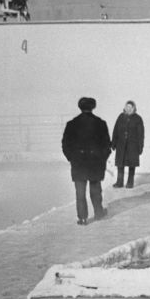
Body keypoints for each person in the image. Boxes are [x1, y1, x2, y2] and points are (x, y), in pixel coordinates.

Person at [61, 96, 111, 225]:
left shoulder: (71, 124)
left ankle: (82, 218)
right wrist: (102, 158)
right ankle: (99, 213)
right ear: (93, 107)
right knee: (95, 189)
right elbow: (107, 145)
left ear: (80, 107)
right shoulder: (100, 123)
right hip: (95, 162)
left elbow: (65, 144)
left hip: (79, 163)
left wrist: (71, 158)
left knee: (80, 191)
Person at [111, 100, 144, 188]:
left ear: (134, 108)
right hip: (121, 145)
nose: (128, 109)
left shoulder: (138, 119)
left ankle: (130, 183)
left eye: (130, 107)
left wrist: (140, 147)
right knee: (120, 164)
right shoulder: (121, 117)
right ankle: (119, 182)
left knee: (131, 164)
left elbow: (141, 134)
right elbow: (115, 130)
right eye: (127, 107)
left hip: (132, 146)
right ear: (125, 108)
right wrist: (113, 143)